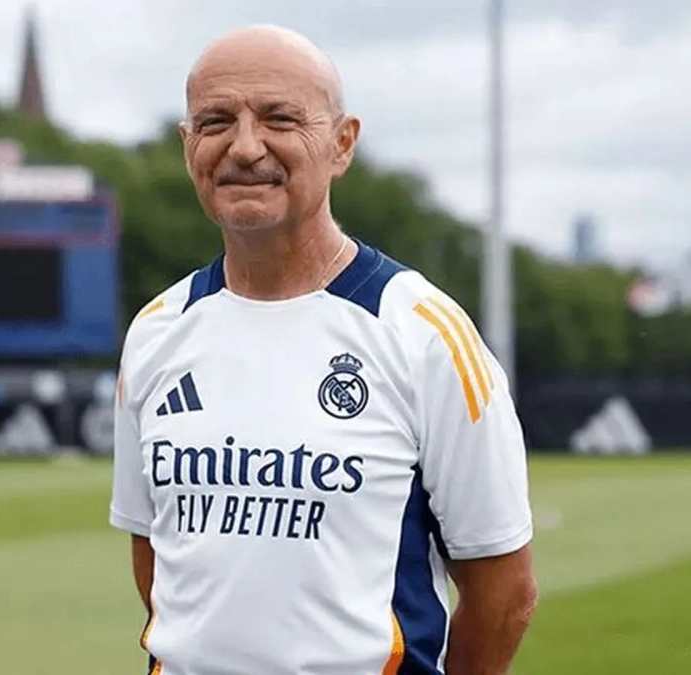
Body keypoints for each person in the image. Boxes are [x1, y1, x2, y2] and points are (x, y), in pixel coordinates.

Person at [110, 24, 537, 675]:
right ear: (187, 143)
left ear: (342, 143)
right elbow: (157, 562)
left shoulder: (423, 332)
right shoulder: (156, 330)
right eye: (216, 121)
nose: (244, 146)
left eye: (280, 118)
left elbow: (503, 592)